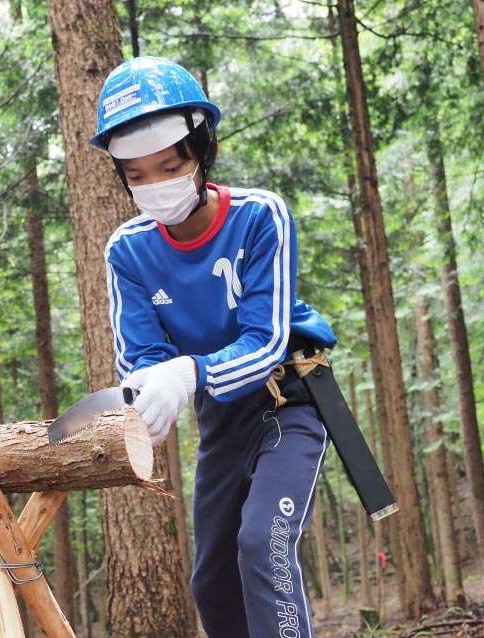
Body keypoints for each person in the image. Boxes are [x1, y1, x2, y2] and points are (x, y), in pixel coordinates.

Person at [92, 56, 338, 638]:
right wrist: (153, 392)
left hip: (289, 402)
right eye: (138, 174)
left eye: (170, 165)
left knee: (263, 546)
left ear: (203, 152)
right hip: (221, 421)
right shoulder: (126, 251)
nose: (155, 184)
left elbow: (266, 337)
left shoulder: (259, 217)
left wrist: (189, 373)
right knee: (212, 580)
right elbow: (141, 354)